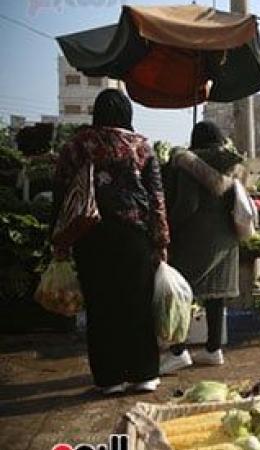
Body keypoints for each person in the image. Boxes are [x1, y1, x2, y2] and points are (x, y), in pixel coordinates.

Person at [52, 89, 169, 394]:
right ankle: (144, 373)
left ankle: (109, 378)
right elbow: (156, 197)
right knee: (138, 304)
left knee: (101, 307)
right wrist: (161, 241)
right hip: (134, 237)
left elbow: (61, 195)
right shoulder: (140, 146)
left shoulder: (76, 146)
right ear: (127, 114)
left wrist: (59, 241)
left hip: (89, 236)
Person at [159, 121, 244, 374]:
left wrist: (169, 226)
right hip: (228, 237)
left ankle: (178, 351)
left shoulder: (188, 163)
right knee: (216, 294)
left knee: (181, 292)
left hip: (196, 238)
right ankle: (213, 349)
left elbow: (188, 204)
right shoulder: (235, 163)